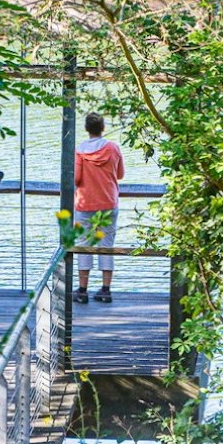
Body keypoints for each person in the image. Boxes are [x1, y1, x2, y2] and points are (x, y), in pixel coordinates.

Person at [73, 111, 125, 304]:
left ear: (86, 129)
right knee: (107, 245)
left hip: (85, 203)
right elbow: (120, 174)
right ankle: (105, 289)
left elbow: (76, 178)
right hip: (109, 203)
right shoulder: (113, 148)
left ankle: (83, 290)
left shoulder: (79, 151)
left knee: (84, 243)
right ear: (103, 128)